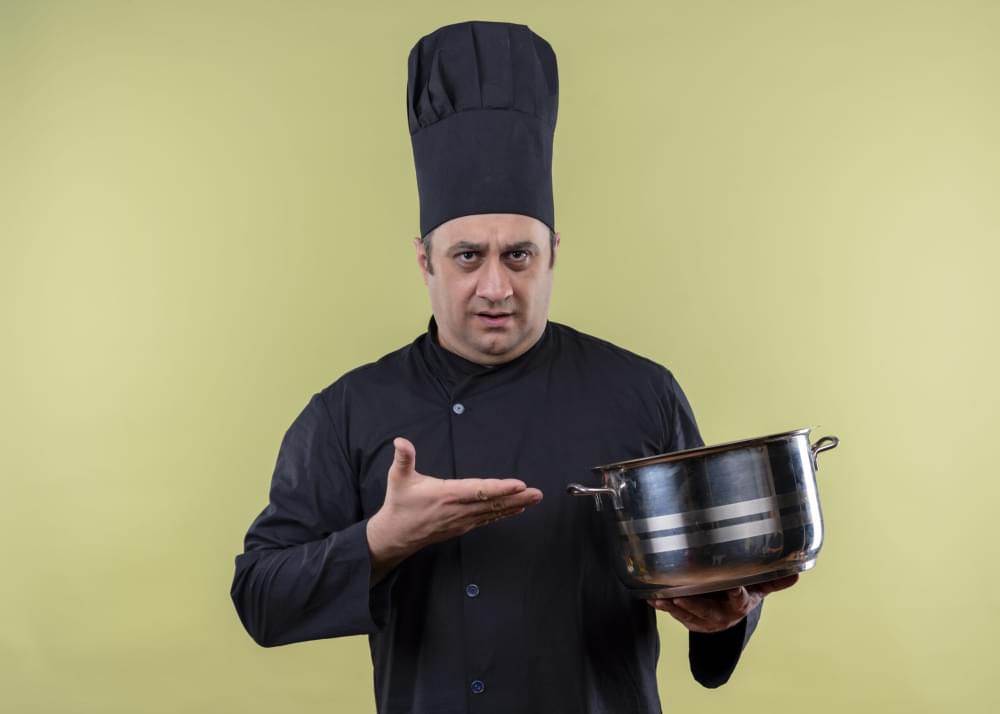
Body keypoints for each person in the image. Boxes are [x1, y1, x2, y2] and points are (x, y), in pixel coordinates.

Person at [230, 20, 797, 714]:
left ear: (553, 252)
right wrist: (380, 541)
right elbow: (260, 600)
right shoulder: (351, 410)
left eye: (519, 255)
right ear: (424, 260)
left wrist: (731, 613)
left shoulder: (642, 393)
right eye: (468, 256)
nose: (496, 287)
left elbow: (713, 580)